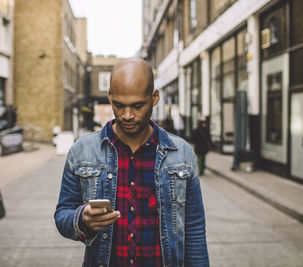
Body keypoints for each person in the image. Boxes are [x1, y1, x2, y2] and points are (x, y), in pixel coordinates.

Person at [54, 58, 209, 267]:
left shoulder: (181, 153)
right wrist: (82, 219)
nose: (127, 115)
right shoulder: (82, 151)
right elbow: (63, 214)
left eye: (137, 106)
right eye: (118, 105)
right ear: (109, 96)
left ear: (154, 98)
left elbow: (194, 228)